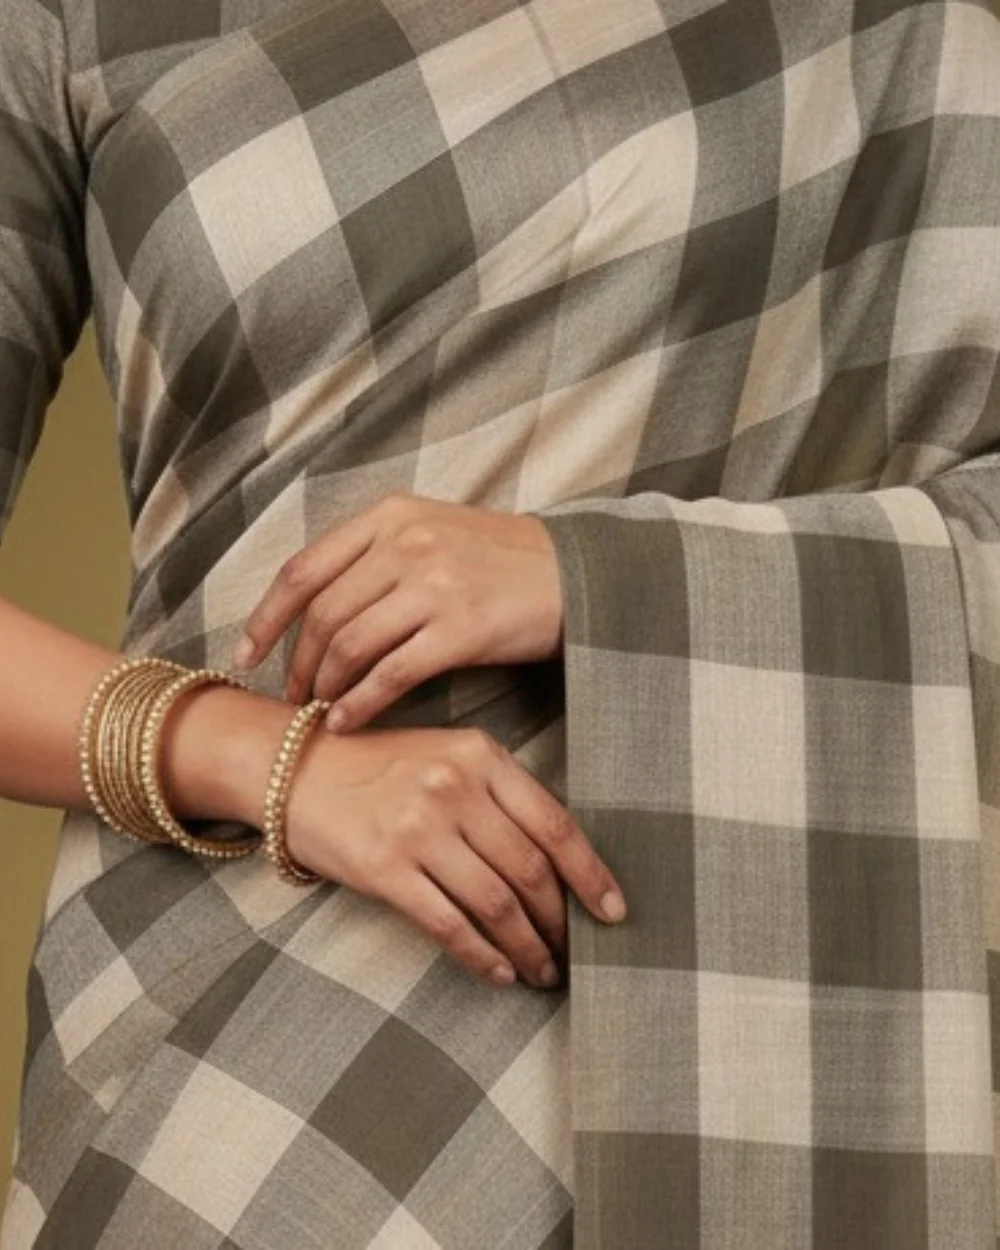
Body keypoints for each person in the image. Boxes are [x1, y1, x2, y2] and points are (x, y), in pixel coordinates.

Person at [2, 0, 1000, 1246]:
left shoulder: (900, 28)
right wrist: (278, 768)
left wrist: (588, 575)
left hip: (750, 1020)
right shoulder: (75, 23)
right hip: (232, 1052)